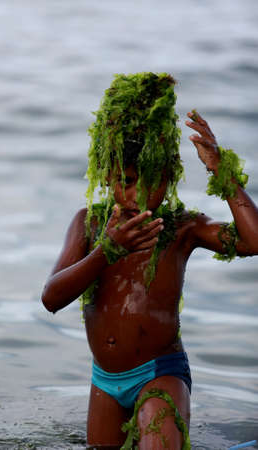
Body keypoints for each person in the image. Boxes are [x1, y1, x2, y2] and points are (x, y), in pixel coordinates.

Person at [41, 72, 258, 450]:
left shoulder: (182, 228)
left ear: (172, 175)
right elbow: (51, 298)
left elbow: (253, 242)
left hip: (160, 373)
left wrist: (221, 171)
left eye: (151, 181)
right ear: (107, 176)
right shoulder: (90, 224)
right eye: (126, 180)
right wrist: (106, 251)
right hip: (104, 382)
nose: (138, 194)